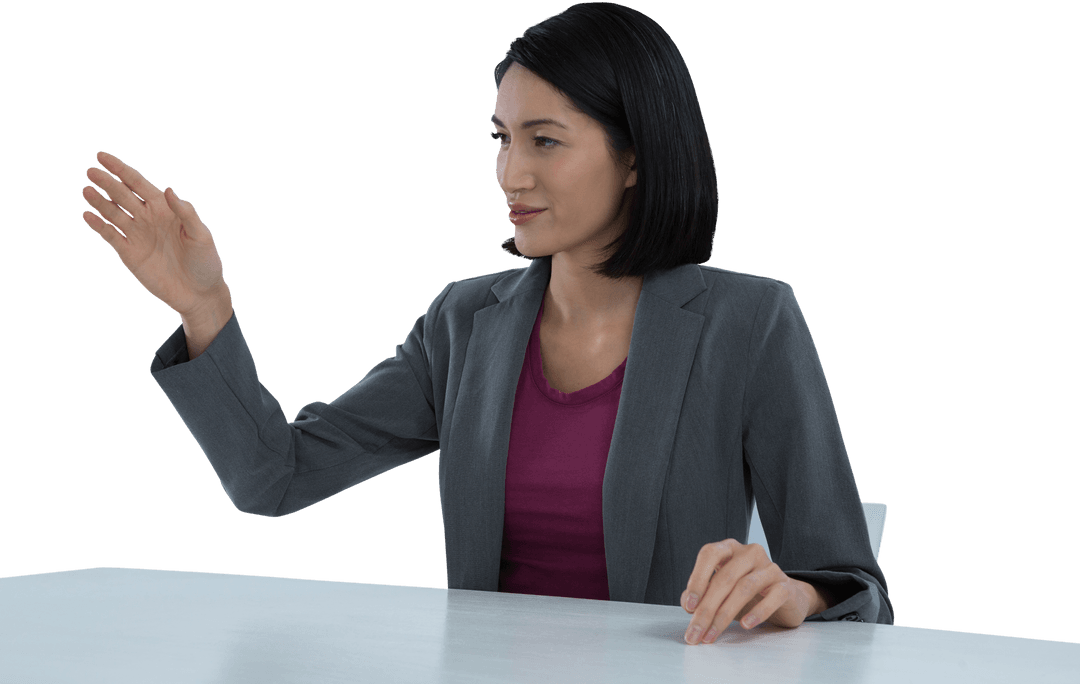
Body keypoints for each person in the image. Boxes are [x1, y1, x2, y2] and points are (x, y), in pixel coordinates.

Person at [80, 1, 893, 646]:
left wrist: (788, 591)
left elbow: (854, 586)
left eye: (546, 140)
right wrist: (204, 307)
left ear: (636, 154)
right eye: (501, 138)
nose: (512, 172)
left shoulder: (748, 324)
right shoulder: (464, 323)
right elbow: (275, 477)